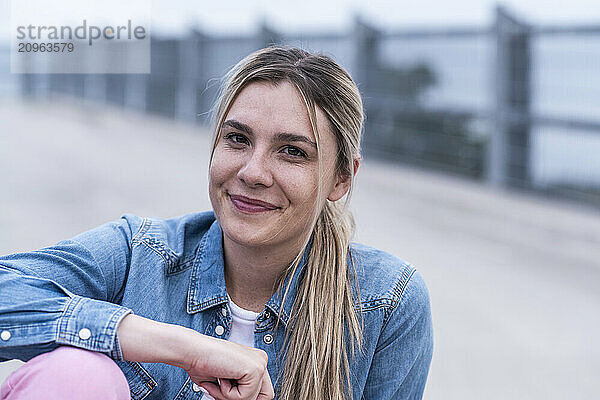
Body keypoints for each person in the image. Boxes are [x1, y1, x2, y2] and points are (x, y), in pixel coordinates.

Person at [0, 46, 433, 400]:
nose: (252, 172)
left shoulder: (386, 303)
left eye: (292, 152)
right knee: (76, 373)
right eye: (237, 139)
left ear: (341, 178)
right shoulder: (140, 254)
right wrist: (184, 349)